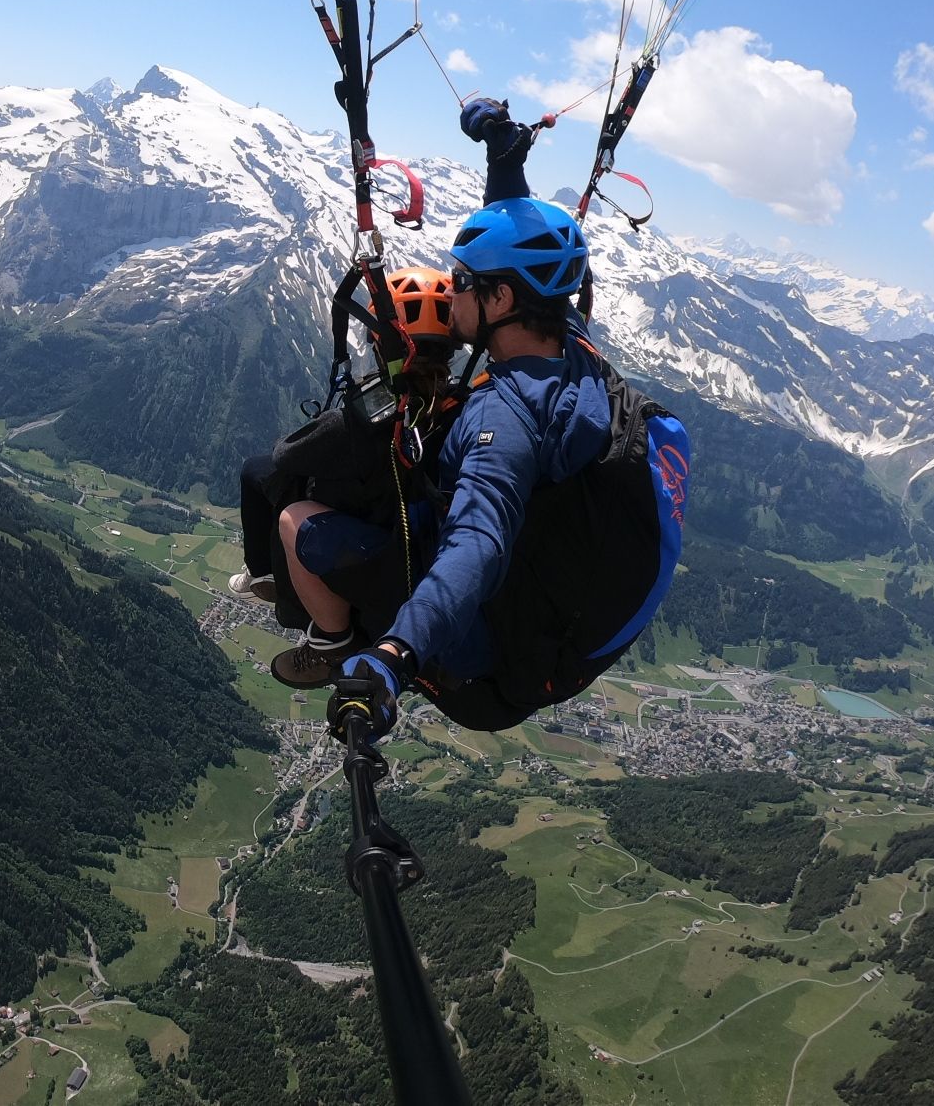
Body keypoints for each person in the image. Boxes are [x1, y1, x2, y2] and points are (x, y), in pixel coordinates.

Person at [282, 97, 691, 737]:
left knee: (296, 520)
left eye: (465, 279)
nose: (453, 288)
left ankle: (333, 645)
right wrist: (504, 156)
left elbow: (478, 544)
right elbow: (528, 250)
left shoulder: (506, 418)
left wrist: (393, 656)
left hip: (486, 665)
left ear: (501, 299)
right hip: (549, 619)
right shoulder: (571, 345)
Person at [232, 267, 464, 629]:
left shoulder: (366, 421)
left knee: (257, 470)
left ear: (380, 344)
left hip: (377, 556)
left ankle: (268, 577)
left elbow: (288, 454)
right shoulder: (460, 406)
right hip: (419, 546)